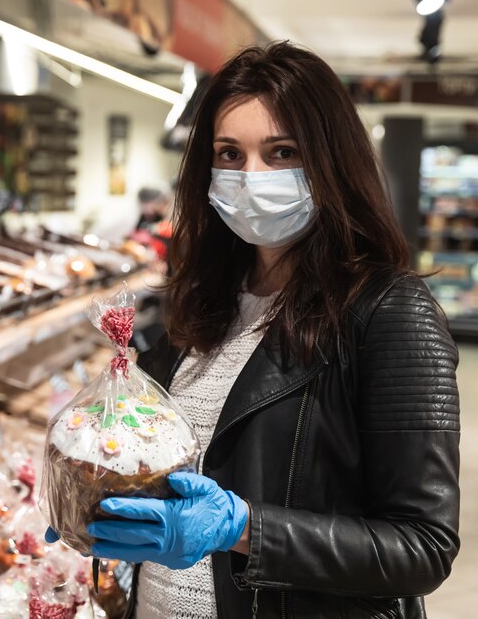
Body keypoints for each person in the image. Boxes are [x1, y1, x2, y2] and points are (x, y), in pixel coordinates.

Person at [52, 42, 461, 618]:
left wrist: (243, 528)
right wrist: (93, 493)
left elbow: (422, 547)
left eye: (282, 151)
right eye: (229, 154)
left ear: (331, 161)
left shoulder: (390, 313)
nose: (252, 177)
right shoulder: (203, 302)